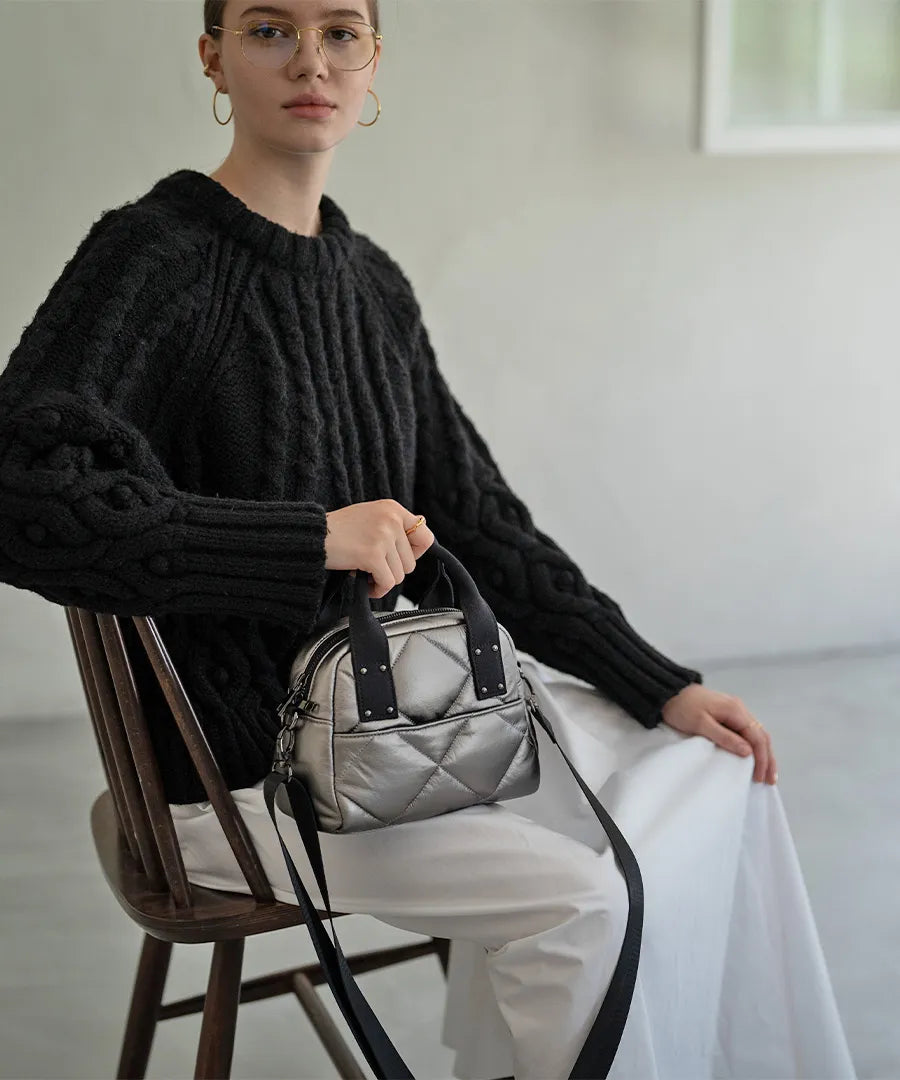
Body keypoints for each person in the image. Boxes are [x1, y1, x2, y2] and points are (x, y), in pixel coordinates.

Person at [0, 2, 856, 1077]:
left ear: (372, 62)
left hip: (394, 726)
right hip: (238, 778)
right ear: (213, 55)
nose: (310, 61)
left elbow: (484, 523)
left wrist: (658, 682)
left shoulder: (371, 286)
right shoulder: (153, 258)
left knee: (696, 772)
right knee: (584, 899)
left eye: (341, 31)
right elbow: (24, 495)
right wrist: (308, 541)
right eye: (269, 29)